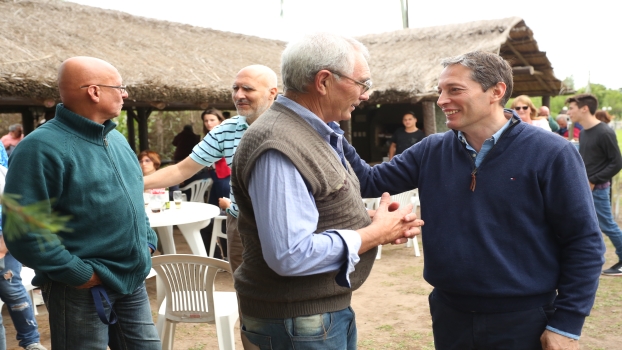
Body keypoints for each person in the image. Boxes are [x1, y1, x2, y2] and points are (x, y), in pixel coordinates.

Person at [341, 51, 604, 349]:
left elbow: (584, 242)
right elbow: (368, 181)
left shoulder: (553, 153)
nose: (441, 100)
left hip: (524, 319)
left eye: (455, 90)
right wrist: (329, 127)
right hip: (449, 313)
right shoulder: (431, 150)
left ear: (496, 91)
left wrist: (566, 324)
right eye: (441, 91)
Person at [230, 32, 422, 349]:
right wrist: (374, 234)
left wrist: (374, 222)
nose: (364, 95)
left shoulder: (311, 132)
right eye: (362, 83)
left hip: (313, 318)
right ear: (323, 81)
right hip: (295, 322)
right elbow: (290, 255)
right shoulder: (279, 143)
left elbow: (312, 211)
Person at [2, 56, 160, 349]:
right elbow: (23, 229)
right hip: (80, 290)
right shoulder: (39, 148)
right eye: (119, 87)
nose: (124, 94)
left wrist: (146, 241)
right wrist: (76, 273)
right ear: (94, 92)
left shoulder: (117, 140)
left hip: (131, 281)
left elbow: (133, 199)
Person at [144, 64, 278, 275]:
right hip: (241, 225)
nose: (239, 95)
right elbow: (181, 170)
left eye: (247, 89)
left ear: (272, 93)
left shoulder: (291, 126)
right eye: (235, 88)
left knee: (291, 298)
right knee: (248, 297)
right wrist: (136, 184)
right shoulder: (226, 130)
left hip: (284, 224)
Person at [567, 94, 622, 276]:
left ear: (584, 108)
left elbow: (616, 162)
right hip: (584, 188)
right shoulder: (583, 132)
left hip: (598, 189)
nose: (569, 112)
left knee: (607, 225)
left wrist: (594, 180)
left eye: (571, 108)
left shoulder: (604, 131)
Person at [0, 146, 47, 350]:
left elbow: (10, 194)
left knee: (11, 288)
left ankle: (30, 341)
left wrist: (4, 240)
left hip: (4, 235)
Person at [200, 108, 231, 206]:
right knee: (213, 206)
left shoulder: (226, 135)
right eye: (206, 121)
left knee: (226, 207)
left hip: (225, 174)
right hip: (214, 174)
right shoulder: (209, 136)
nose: (209, 123)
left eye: (212, 120)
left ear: (220, 121)